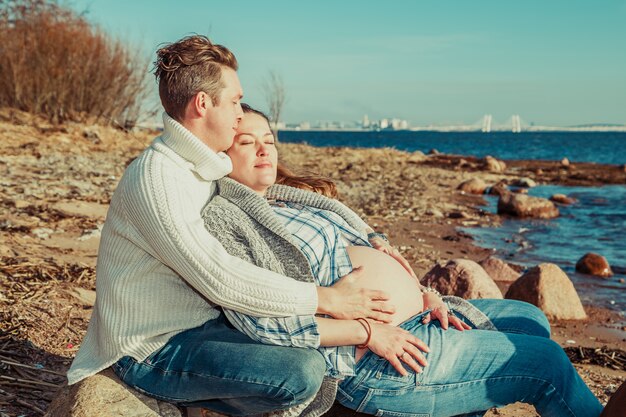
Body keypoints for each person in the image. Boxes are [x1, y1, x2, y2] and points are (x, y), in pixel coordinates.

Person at [201, 104, 604, 417]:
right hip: (375, 357)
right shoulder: (229, 217)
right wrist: (370, 333)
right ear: (220, 153)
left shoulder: (285, 199)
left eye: (268, 139)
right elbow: (269, 322)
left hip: (418, 317)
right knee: (548, 365)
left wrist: (422, 291)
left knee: (529, 318)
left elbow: (361, 243)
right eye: (245, 142)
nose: (263, 150)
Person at [66, 36, 395, 416]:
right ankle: (202, 404)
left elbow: (286, 197)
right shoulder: (157, 177)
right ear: (203, 104)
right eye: (235, 101)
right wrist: (326, 298)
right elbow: (220, 277)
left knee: (306, 352)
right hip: (151, 347)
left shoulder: (203, 166)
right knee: (301, 371)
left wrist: (371, 235)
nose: (241, 113)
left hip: (204, 326)